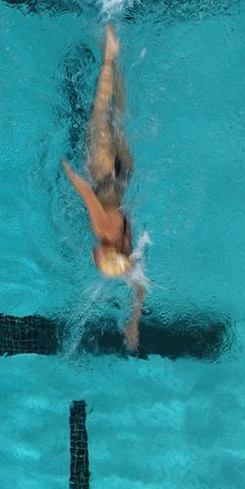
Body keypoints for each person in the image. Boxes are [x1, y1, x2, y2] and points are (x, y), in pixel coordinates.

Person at [59, 23, 147, 351]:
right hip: (103, 170)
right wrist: (66, 168)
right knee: (100, 112)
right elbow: (84, 191)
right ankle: (109, 58)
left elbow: (139, 288)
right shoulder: (104, 228)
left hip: (125, 174)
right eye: (98, 258)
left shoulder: (128, 245)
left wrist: (133, 321)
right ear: (106, 251)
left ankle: (116, 60)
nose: (93, 257)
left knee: (118, 116)